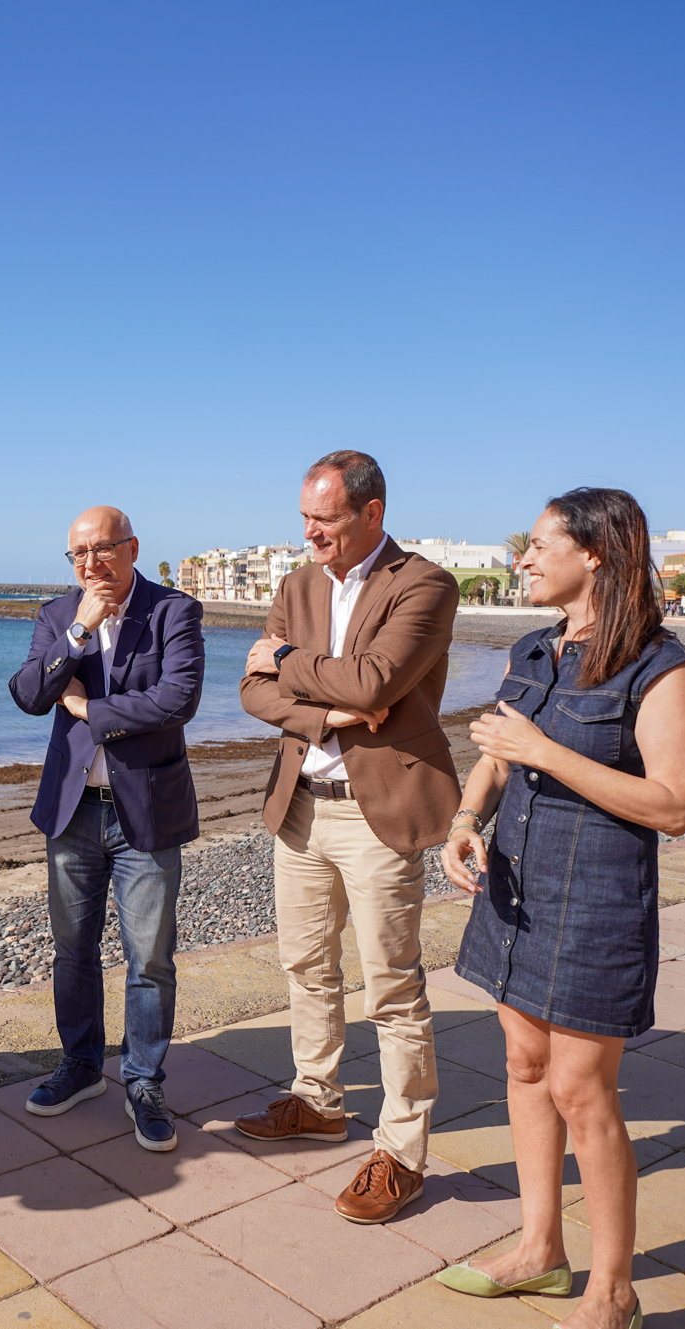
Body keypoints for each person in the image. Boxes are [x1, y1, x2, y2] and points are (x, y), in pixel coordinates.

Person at [435, 488, 685, 1329]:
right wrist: (463, 820)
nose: (522, 556)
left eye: (538, 543)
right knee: (522, 1068)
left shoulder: (664, 668)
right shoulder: (533, 648)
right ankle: (541, 1250)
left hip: (596, 901)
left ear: (595, 553)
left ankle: (613, 1290)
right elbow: (496, 750)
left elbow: (673, 804)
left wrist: (543, 752)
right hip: (514, 888)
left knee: (582, 1090)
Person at [235, 449, 460, 1224]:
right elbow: (251, 689)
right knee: (305, 963)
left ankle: (400, 1151)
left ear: (372, 513)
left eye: (324, 519)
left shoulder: (425, 583)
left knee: (392, 983)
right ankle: (318, 1100)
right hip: (300, 802)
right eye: (304, 516)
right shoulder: (295, 584)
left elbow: (376, 682)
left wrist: (294, 661)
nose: (309, 532)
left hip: (379, 810)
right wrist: (326, 711)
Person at [8, 507, 204, 1151]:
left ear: (132, 547)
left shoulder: (173, 611)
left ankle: (144, 1080)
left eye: (102, 549)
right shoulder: (57, 614)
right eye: (77, 554)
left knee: (149, 957)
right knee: (73, 949)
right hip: (72, 810)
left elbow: (177, 700)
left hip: (144, 812)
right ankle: (83, 1064)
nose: (90, 564)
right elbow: (30, 695)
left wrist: (89, 708)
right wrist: (78, 637)